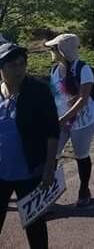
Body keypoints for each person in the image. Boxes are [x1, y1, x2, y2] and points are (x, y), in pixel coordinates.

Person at [0, 42, 59, 249]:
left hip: (31, 172)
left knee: (35, 229)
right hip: (1, 174)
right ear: (1, 68)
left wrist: (49, 167)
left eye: (21, 65)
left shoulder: (38, 91)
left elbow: (52, 132)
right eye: (12, 66)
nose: (18, 70)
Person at [47, 33, 94, 207]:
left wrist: (64, 118)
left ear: (63, 50)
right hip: (61, 121)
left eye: (54, 48)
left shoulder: (83, 69)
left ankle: (84, 189)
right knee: (52, 154)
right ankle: (49, 194)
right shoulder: (54, 70)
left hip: (83, 121)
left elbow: (83, 99)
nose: (51, 51)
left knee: (81, 155)